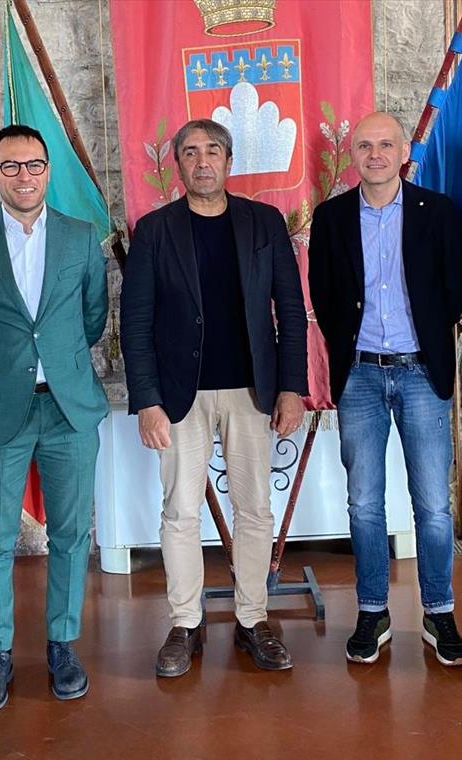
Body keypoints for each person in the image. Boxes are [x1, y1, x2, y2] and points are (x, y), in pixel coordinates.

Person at [120, 119, 308, 677]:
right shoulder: (155, 230)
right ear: (177, 163)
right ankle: (185, 623)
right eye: (190, 152)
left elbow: (290, 310)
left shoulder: (264, 223)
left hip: (253, 390)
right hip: (180, 396)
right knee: (180, 510)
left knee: (254, 509)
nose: (202, 161)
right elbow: (136, 322)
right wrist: (147, 400)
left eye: (212, 151)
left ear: (229, 161)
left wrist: (292, 388)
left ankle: (253, 619)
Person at [0, 125, 108, 710]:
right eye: (10, 166)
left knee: (71, 533)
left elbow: (92, 317)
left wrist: (55, 363)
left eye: (33, 164)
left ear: (48, 170)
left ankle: (63, 644)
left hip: (68, 407)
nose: (24, 175)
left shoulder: (81, 238)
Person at [308, 111, 462, 666]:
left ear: (404, 152)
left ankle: (439, 611)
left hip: (421, 373)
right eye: (364, 146)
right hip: (359, 376)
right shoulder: (331, 218)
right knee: (364, 504)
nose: (374, 154)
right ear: (351, 155)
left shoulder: (438, 212)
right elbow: (324, 293)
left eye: (385, 144)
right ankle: (372, 610)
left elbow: (452, 290)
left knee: (433, 504)